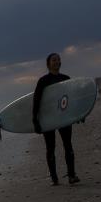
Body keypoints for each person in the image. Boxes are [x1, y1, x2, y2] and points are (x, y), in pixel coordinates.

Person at [33, 52, 80, 186]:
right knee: (50, 148)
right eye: (54, 60)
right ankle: (54, 178)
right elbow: (36, 101)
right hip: (48, 118)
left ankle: (71, 175)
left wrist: (78, 115)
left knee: (68, 145)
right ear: (48, 64)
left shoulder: (66, 78)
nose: (57, 62)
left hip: (64, 117)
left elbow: (71, 99)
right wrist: (35, 120)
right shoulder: (43, 81)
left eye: (58, 59)